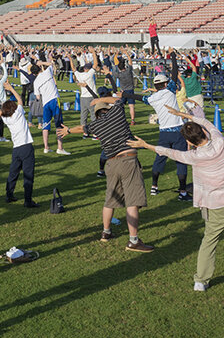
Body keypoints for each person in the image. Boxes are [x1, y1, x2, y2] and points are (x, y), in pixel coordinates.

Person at [129, 100, 224, 297]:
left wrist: (145, 145)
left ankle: (201, 282)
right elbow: (206, 123)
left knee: (209, 242)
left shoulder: (193, 156)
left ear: (189, 142)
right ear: (203, 133)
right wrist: (185, 115)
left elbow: (170, 152)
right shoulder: (219, 141)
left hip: (214, 207)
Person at [59, 94, 154, 252]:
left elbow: (82, 128)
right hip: (128, 161)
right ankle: (133, 241)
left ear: (96, 114)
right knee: (132, 201)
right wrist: (100, 99)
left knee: (110, 199)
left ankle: (106, 232)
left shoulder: (95, 125)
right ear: (107, 109)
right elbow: (118, 100)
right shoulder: (116, 113)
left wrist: (68, 130)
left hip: (111, 163)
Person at [0, 82, 36, 207]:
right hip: (26, 147)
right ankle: (28, 201)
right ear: (13, 108)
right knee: (28, 175)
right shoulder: (19, 113)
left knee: (13, 172)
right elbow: (20, 99)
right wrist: (11, 89)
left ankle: (9, 195)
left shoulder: (6, 119)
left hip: (16, 150)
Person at [146, 74, 191, 198]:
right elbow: (175, 71)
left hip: (163, 133)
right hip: (177, 131)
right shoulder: (169, 91)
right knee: (181, 161)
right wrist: (172, 56)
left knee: (159, 159)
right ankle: (183, 192)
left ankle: (154, 187)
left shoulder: (152, 98)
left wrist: (124, 95)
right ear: (166, 84)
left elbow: (139, 98)